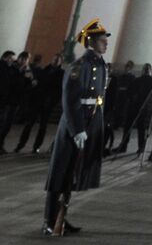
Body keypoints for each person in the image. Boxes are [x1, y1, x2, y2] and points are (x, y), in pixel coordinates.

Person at [43, 19, 110, 236]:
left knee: (74, 173)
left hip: (91, 121)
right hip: (77, 123)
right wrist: (77, 129)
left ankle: (61, 217)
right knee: (61, 172)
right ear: (91, 42)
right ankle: (51, 220)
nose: (105, 44)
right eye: (102, 41)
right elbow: (70, 100)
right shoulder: (79, 66)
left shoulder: (100, 65)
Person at [17, 54, 64, 155]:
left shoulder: (61, 74)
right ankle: (21, 144)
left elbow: (59, 91)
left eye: (57, 60)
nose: (55, 61)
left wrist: (52, 102)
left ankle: (36, 146)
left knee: (43, 127)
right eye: (54, 59)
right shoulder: (44, 70)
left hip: (48, 104)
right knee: (29, 124)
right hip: (37, 102)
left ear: (60, 62)